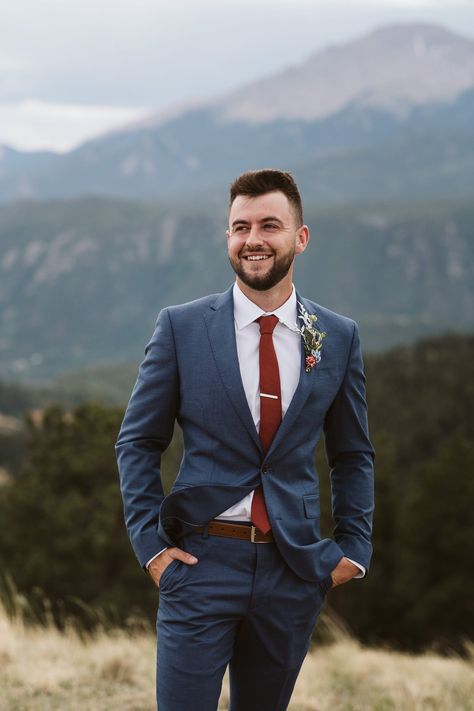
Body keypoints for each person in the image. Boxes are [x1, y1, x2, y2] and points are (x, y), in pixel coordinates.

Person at [116, 169, 374, 711]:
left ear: (299, 238)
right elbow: (138, 442)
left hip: (293, 570)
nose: (253, 239)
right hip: (198, 562)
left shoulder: (338, 336)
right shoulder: (180, 328)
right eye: (240, 227)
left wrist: (354, 547)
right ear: (228, 237)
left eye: (269, 225)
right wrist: (152, 549)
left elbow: (351, 454)